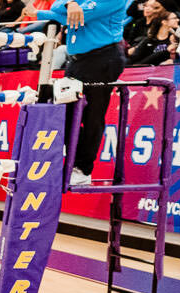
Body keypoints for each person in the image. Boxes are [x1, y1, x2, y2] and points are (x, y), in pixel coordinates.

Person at [37, 0, 127, 185]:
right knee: (65, 111)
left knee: (93, 115)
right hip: (76, 61)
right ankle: (71, 161)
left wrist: (40, 14)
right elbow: (57, 6)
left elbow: (78, 17)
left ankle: (83, 169)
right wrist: (70, 3)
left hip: (102, 58)